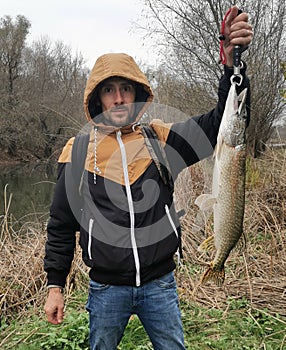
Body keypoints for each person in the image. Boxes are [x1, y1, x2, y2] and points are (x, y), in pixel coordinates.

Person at [44, 6, 253, 350]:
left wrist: (232, 66)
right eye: (109, 90)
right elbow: (61, 223)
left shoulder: (160, 140)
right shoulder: (77, 150)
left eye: (126, 88)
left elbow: (221, 124)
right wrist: (55, 286)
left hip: (160, 284)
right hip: (106, 289)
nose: (119, 97)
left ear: (137, 93)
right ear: (98, 98)